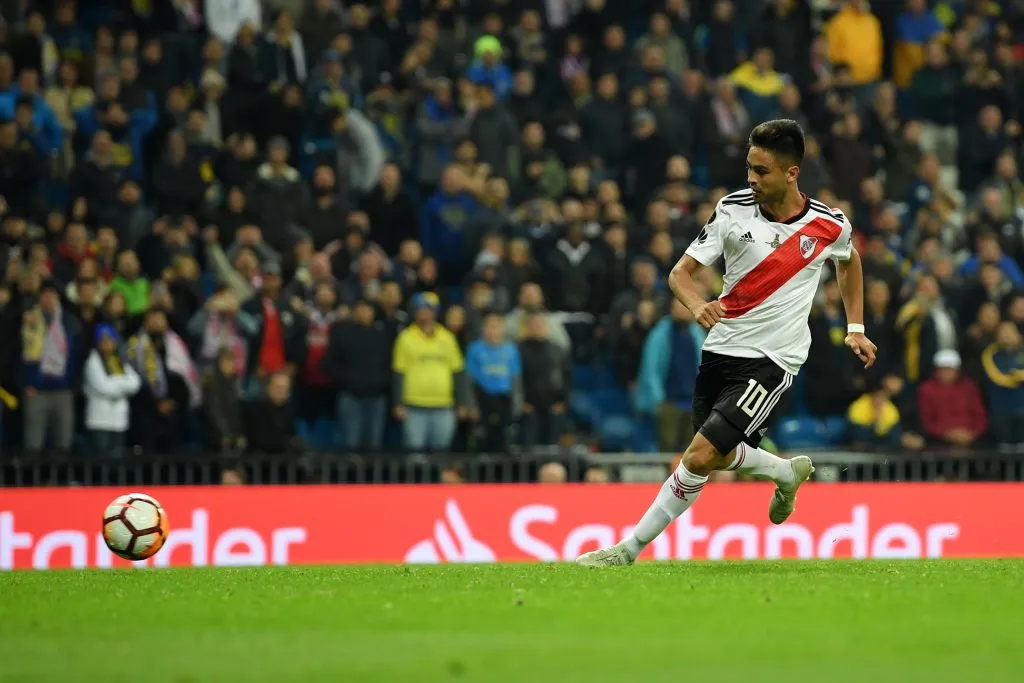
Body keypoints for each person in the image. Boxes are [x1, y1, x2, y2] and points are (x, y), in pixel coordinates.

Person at [578, 119, 877, 567]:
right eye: (749, 168)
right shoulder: (731, 210)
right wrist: (699, 305)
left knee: (697, 456)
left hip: (773, 359)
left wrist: (855, 326)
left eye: (761, 170)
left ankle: (626, 551)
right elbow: (679, 274)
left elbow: (849, 259)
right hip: (721, 348)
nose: (751, 178)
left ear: (792, 172)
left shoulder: (828, 225)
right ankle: (783, 472)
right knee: (714, 456)